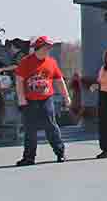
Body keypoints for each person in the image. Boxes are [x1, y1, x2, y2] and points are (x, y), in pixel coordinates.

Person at [15, 35, 67, 166]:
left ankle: (60, 153)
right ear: (38, 47)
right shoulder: (25, 62)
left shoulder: (51, 62)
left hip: (46, 99)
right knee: (30, 130)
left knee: (51, 127)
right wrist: (21, 99)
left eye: (49, 47)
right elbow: (19, 81)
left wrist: (66, 96)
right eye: (46, 47)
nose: (48, 49)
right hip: (30, 101)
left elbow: (59, 80)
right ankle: (29, 158)